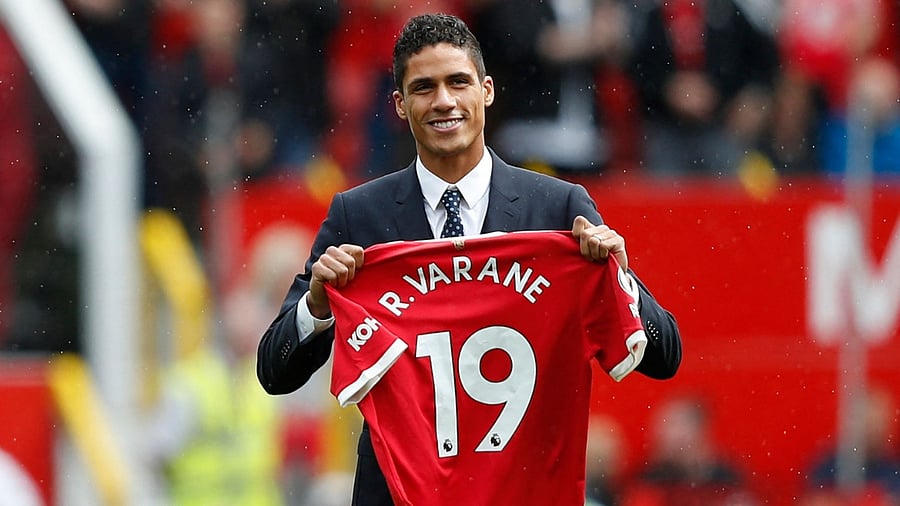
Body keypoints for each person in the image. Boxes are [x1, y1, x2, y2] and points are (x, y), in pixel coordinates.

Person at [257, 13, 681, 506]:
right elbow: (274, 370)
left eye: (458, 82)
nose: (443, 101)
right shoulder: (359, 215)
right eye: (423, 87)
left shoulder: (558, 209)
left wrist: (619, 278)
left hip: (521, 493)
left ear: (487, 91)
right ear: (399, 104)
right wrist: (318, 308)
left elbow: (664, 354)